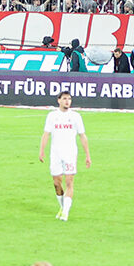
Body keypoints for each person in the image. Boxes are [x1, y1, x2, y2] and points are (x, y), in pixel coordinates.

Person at [38, 90, 91, 222]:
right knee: (57, 183)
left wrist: (87, 155)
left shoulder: (76, 117)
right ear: (59, 100)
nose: (67, 101)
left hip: (70, 153)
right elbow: (46, 134)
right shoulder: (52, 116)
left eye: (69, 99)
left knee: (69, 181)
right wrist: (42, 150)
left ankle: (66, 212)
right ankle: (63, 207)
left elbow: (82, 136)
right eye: (65, 99)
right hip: (55, 153)